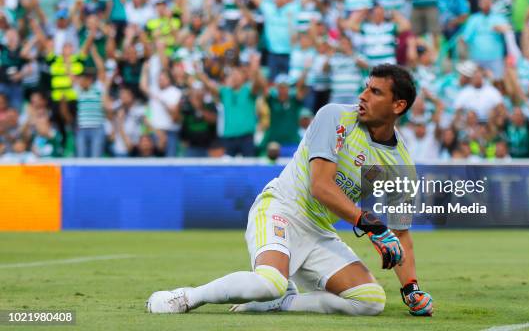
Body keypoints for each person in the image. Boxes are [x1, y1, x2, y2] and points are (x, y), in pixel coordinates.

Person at [147, 64, 433, 317]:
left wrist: (411, 289)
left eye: (376, 92)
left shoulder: (401, 165)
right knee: (270, 281)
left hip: (318, 232)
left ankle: (280, 303)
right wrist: (368, 223)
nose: (363, 96)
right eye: (365, 88)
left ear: (398, 106)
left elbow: (401, 233)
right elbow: (321, 186)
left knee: (370, 302)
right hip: (280, 209)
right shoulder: (334, 116)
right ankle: (185, 297)